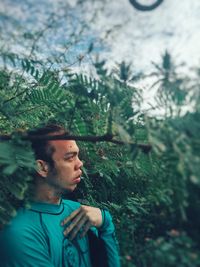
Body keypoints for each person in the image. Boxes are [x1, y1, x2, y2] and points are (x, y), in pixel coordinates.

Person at [0, 124, 120, 267]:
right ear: (42, 167)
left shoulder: (80, 213)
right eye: (70, 158)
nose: (80, 163)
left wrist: (106, 224)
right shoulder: (19, 233)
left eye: (78, 156)